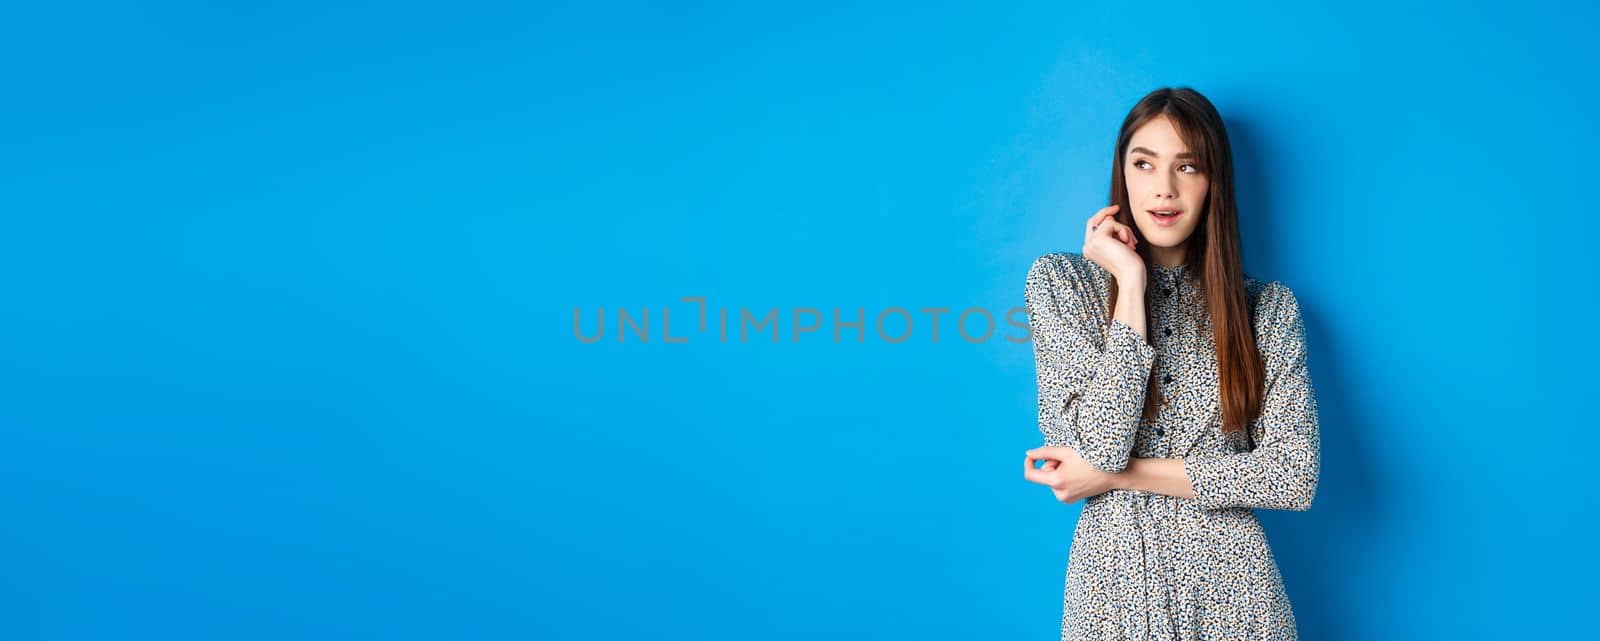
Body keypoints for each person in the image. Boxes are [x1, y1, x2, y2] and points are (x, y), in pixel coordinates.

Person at [1021, 86, 1321, 640]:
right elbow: (1102, 442)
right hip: (1113, 593)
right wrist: (1130, 284)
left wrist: (1116, 475)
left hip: (1237, 595)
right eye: (1145, 163)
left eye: (1188, 165)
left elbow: (1292, 478)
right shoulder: (1062, 285)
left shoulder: (1267, 309)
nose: (1164, 188)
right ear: (1124, 173)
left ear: (1213, 183)